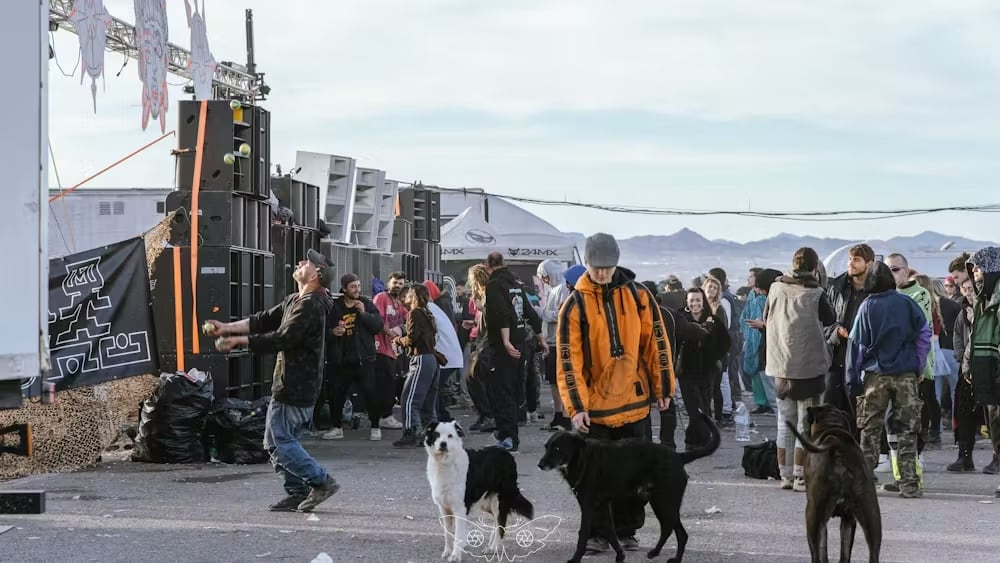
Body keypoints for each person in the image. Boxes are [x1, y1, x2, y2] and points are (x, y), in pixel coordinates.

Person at [556, 233, 674, 553]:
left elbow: (656, 343)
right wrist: (576, 406)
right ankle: (596, 532)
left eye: (608, 267)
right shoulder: (575, 304)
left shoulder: (639, 295)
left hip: (634, 403)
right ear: (587, 264)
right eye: (597, 267)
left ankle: (626, 530)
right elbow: (569, 359)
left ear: (617, 263)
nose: (603, 273)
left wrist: (663, 387)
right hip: (594, 409)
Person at [209, 249, 338, 513]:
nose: (300, 262)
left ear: (317, 274)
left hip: (296, 384)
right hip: (291, 382)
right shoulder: (296, 300)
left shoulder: (311, 305)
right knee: (278, 441)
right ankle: (297, 493)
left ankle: (320, 481)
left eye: (308, 262)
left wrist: (238, 341)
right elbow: (263, 320)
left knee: (278, 442)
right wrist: (227, 327)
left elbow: (282, 338)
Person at [848, 262, 931, 499]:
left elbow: (859, 345)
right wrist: (918, 363)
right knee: (907, 431)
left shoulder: (867, 306)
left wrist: (854, 376)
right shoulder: (907, 303)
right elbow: (923, 335)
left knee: (870, 430)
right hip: (906, 375)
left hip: (876, 376)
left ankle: (864, 485)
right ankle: (909, 484)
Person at [765, 247, 836, 492]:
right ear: (815, 267)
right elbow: (830, 318)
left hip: (780, 366)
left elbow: (767, 316)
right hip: (809, 368)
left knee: (785, 422)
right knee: (804, 424)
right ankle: (800, 477)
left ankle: (783, 475)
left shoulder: (775, 288)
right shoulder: (816, 293)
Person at [484, 252, 545, 452]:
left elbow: (501, 313)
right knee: (514, 389)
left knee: (501, 391)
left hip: (505, 346)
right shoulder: (516, 285)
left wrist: (505, 340)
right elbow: (529, 311)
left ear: (488, 266)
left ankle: (508, 436)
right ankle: (508, 433)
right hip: (522, 343)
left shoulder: (494, 285)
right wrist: (539, 336)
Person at [321, 273, 385, 441]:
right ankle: (336, 427)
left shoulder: (366, 304)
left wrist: (363, 314)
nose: (357, 289)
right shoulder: (335, 307)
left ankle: (375, 426)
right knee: (337, 394)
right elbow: (323, 330)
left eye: (358, 286)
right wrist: (332, 332)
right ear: (344, 289)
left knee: (370, 392)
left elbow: (378, 326)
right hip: (341, 359)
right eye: (353, 287)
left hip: (363, 358)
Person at [392, 284, 446, 447]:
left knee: (409, 398)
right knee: (428, 401)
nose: (404, 298)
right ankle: (432, 433)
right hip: (432, 360)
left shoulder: (414, 313)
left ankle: (410, 432)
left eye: (407, 295)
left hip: (421, 359)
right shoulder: (427, 313)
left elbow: (412, 338)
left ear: (413, 297)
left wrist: (398, 340)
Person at [537, 259, 578, 431]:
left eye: (544, 276)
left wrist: (542, 313)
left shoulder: (562, 289)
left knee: (561, 381)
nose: (543, 280)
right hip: (552, 341)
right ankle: (558, 415)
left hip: (559, 342)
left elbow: (561, 314)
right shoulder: (553, 289)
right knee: (554, 382)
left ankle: (565, 417)